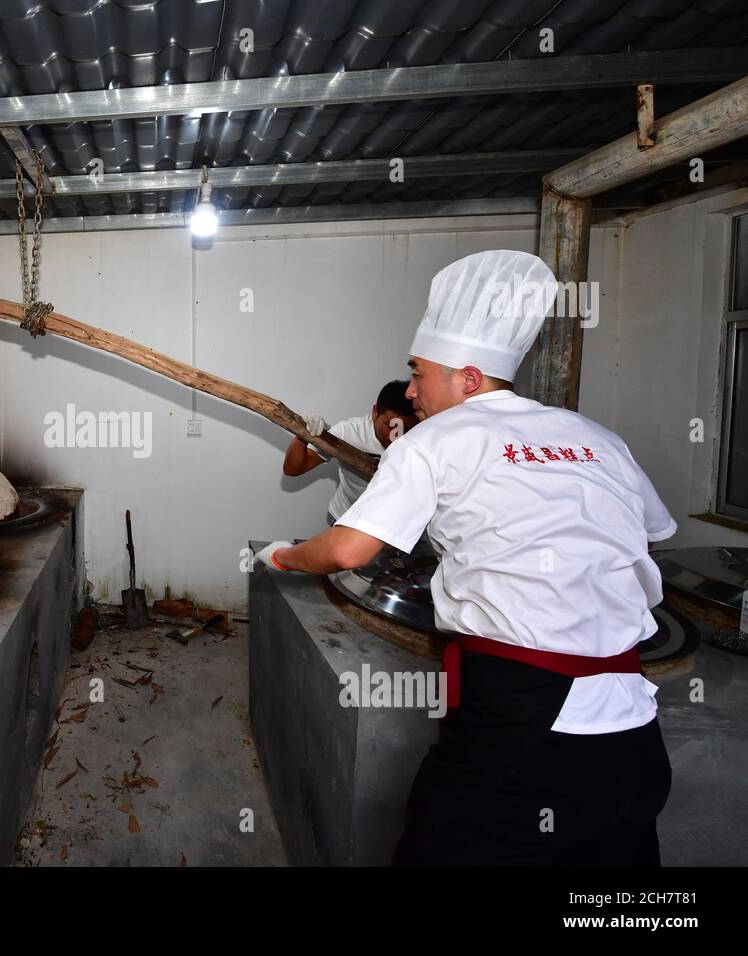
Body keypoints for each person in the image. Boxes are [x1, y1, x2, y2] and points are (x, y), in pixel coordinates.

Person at [255, 249, 676, 865]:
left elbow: (347, 548)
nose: (410, 388)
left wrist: (286, 558)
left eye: (420, 372)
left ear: (469, 379)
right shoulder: (597, 437)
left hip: (521, 724)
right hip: (632, 729)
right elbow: (653, 532)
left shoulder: (433, 441)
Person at [283, 381, 418, 525]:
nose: (396, 436)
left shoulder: (422, 438)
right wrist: (303, 434)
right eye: (391, 426)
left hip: (395, 524)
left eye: (407, 429)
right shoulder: (349, 432)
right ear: (374, 413)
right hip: (347, 518)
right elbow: (293, 469)